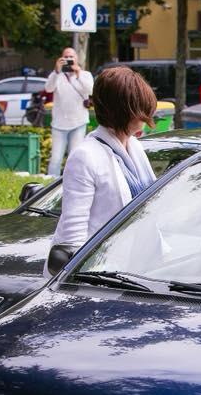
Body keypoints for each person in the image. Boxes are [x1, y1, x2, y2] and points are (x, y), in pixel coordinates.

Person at [46, 67, 157, 275]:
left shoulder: (135, 146)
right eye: (140, 109)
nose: (146, 116)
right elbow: (72, 235)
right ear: (122, 110)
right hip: (99, 273)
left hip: (135, 267)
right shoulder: (85, 156)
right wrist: (83, 280)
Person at [45, 47, 94, 177]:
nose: (68, 59)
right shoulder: (57, 76)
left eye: (71, 57)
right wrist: (56, 71)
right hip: (59, 123)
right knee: (56, 158)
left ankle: (72, 182)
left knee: (74, 157)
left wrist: (78, 75)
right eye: (65, 57)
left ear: (77, 59)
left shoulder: (85, 75)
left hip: (78, 122)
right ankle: (50, 184)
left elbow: (91, 90)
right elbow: (48, 88)